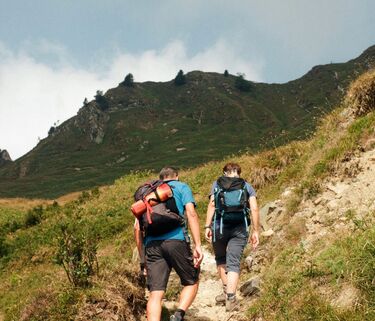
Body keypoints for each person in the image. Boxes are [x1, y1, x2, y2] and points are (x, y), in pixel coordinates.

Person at [134, 167, 204, 321]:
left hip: (152, 245)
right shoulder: (182, 187)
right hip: (176, 240)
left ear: (160, 178)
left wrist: (142, 259)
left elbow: (137, 228)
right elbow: (191, 213)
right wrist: (198, 245)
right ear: (176, 176)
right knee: (191, 281)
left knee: (155, 294)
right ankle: (178, 315)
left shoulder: (147, 194)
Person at [204, 162, 260, 312]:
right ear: (238, 173)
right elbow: (254, 208)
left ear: (224, 172)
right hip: (240, 228)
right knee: (234, 262)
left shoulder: (217, 184)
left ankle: (225, 291)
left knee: (221, 259)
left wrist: (207, 226)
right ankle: (231, 298)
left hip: (219, 227)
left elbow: (211, 205)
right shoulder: (246, 185)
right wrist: (255, 230)